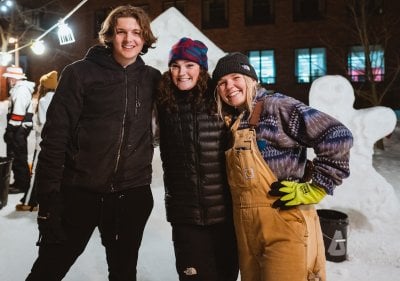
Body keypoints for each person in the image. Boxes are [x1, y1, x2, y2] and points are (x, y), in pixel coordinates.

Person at [25, 5, 161, 281]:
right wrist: (48, 199)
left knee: (123, 273)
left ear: (145, 38)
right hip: (80, 193)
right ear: (109, 35)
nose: (129, 39)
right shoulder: (80, 73)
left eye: (136, 32)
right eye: (121, 31)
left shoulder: (152, 80)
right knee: (48, 270)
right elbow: (54, 139)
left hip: (130, 194)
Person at [212, 52, 353, 281]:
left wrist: (317, 187)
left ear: (252, 79)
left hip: (284, 223)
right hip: (248, 232)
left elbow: (337, 135)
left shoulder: (275, 106)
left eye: (236, 77)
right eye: (222, 82)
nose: (229, 86)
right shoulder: (237, 120)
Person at [155, 37, 239, 281]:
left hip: (225, 214)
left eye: (189, 65)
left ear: (201, 68)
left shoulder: (220, 99)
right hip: (185, 216)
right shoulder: (161, 101)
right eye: (175, 65)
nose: (182, 73)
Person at [15, 70, 58, 212]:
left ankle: (30, 202)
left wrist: (36, 126)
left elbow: (45, 123)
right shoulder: (60, 98)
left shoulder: (45, 100)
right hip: (56, 143)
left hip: (43, 143)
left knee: (35, 173)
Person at [3, 66, 35, 195]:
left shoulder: (21, 90)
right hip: (19, 126)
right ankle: (19, 182)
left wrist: (10, 129)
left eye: (10, 77)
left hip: (19, 127)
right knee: (16, 155)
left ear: (14, 78)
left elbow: (18, 112)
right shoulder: (19, 88)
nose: (8, 79)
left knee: (18, 155)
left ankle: (22, 184)